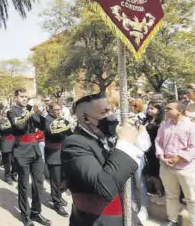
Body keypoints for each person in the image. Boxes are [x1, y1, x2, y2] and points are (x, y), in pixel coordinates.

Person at [61, 93, 144, 225]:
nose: (111, 115)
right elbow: (104, 187)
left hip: (127, 216)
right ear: (85, 118)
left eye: (111, 109)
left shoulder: (108, 137)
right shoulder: (74, 144)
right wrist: (125, 145)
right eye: (104, 111)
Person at [7, 88, 51, 226]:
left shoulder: (31, 110)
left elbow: (43, 126)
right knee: (24, 185)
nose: (25, 99)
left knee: (39, 184)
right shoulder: (12, 111)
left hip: (35, 150)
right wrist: (28, 113)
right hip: (21, 151)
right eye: (22, 96)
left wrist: (43, 114)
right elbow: (18, 126)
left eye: (26, 97)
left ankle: (36, 212)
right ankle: (25, 216)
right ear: (16, 97)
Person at [156, 100, 195, 226]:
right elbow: (158, 142)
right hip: (166, 167)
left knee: (192, 199)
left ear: (180, 111)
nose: (165, 111)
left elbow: (194, 148)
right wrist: (161, 156)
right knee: (171, 195)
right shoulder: (164, 126)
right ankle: (172, 220)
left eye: (169, 109)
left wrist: (178, 158)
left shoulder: (192, 128)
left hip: (187, 168)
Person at [43, 102, 72, 217]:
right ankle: (57, 203)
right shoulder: (47, 120)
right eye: (55, 109)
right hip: (53, 154)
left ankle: (58, 194)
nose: (58, 111)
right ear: (50, 110)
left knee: (66, 178)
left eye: (59, 109)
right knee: (55, 180)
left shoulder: (62, 119)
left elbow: (69, 133)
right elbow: (51, 133)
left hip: (64, 153)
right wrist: (62, 128)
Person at [143, 101, 165, 196]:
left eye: (152, 108)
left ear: (159, 110)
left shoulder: (162, 122)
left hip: (157, 148)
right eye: (149, 108)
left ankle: (161, 190)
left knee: (158, 169)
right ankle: (156, 188)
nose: (149, 110)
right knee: (151, 169)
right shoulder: (147, 120)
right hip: (148, 148)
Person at [0, 107, 16, 185]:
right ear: (2, 112)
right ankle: (8, 177)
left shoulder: (13, 119)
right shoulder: (0, 121)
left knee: (14, 160)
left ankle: (14, 174)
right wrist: (11, 124)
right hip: (5, 142)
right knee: (7, 162)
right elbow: (3, 129)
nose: (7, 113)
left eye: (8, 112)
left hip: (14, 142)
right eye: (5, 112)